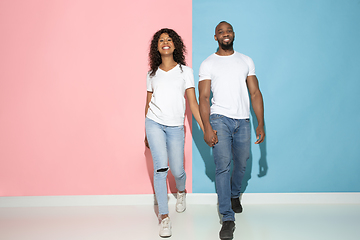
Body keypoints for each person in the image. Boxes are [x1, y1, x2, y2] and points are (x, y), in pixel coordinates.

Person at [144, 28, 214, 238]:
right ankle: (164, 218)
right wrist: (145, 131)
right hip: (153, 123)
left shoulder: (186, 71)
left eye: (169, 39)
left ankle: (181, 192)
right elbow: (147, 103)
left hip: (175, 126)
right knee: (160, 169)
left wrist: (205, 128)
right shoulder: (151, 74)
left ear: (175, 45)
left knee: (177, 169)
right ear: (157, 47)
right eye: (161, 40)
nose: (165, 42)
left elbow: (192, 103)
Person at [198, 21, 265, 240]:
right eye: (221, 32)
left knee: (242, 162)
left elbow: (255, 93)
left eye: (228, 31)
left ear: (233, 34)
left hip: (243, 120)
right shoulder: (208, 63)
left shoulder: (246, 60)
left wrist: (260, 123)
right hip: (219, 119)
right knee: (222, 166)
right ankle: (227, 218)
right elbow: (204, 98)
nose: (225, 34)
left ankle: (235, 194)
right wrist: (207, 127)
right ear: (215, 37)